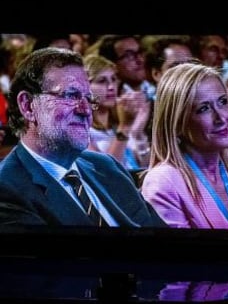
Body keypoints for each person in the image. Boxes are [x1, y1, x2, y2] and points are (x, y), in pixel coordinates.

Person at [0, 47, 166, 227]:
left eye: (89, 99)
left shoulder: (105, 166)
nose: (85, 110)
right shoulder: (7, 188)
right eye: (71, 95)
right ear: (28, 106)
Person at [141, 62, 228, 229]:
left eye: (223, 102)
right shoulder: (162, 182)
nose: (221, 117)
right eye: (204, 109)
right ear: (178, 124)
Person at [84, 54, 150, 170]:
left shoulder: (120, 122)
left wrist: (138, 133)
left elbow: (146, 167)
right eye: (101, 81)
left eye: (113, 79)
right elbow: (104, 172)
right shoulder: (81, 130)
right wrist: (124, 127)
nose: (111, 87)